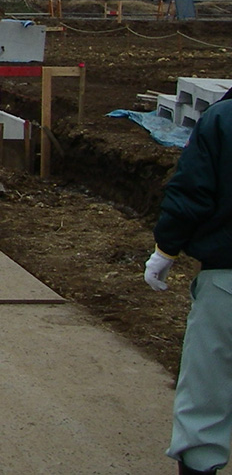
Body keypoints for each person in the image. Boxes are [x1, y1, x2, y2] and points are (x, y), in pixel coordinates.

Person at [145, 86, 232, 475]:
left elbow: (192, 193)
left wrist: (166, 250)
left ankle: (200, 464)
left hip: (226, 280)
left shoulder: (223, 119)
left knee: (205, 395)